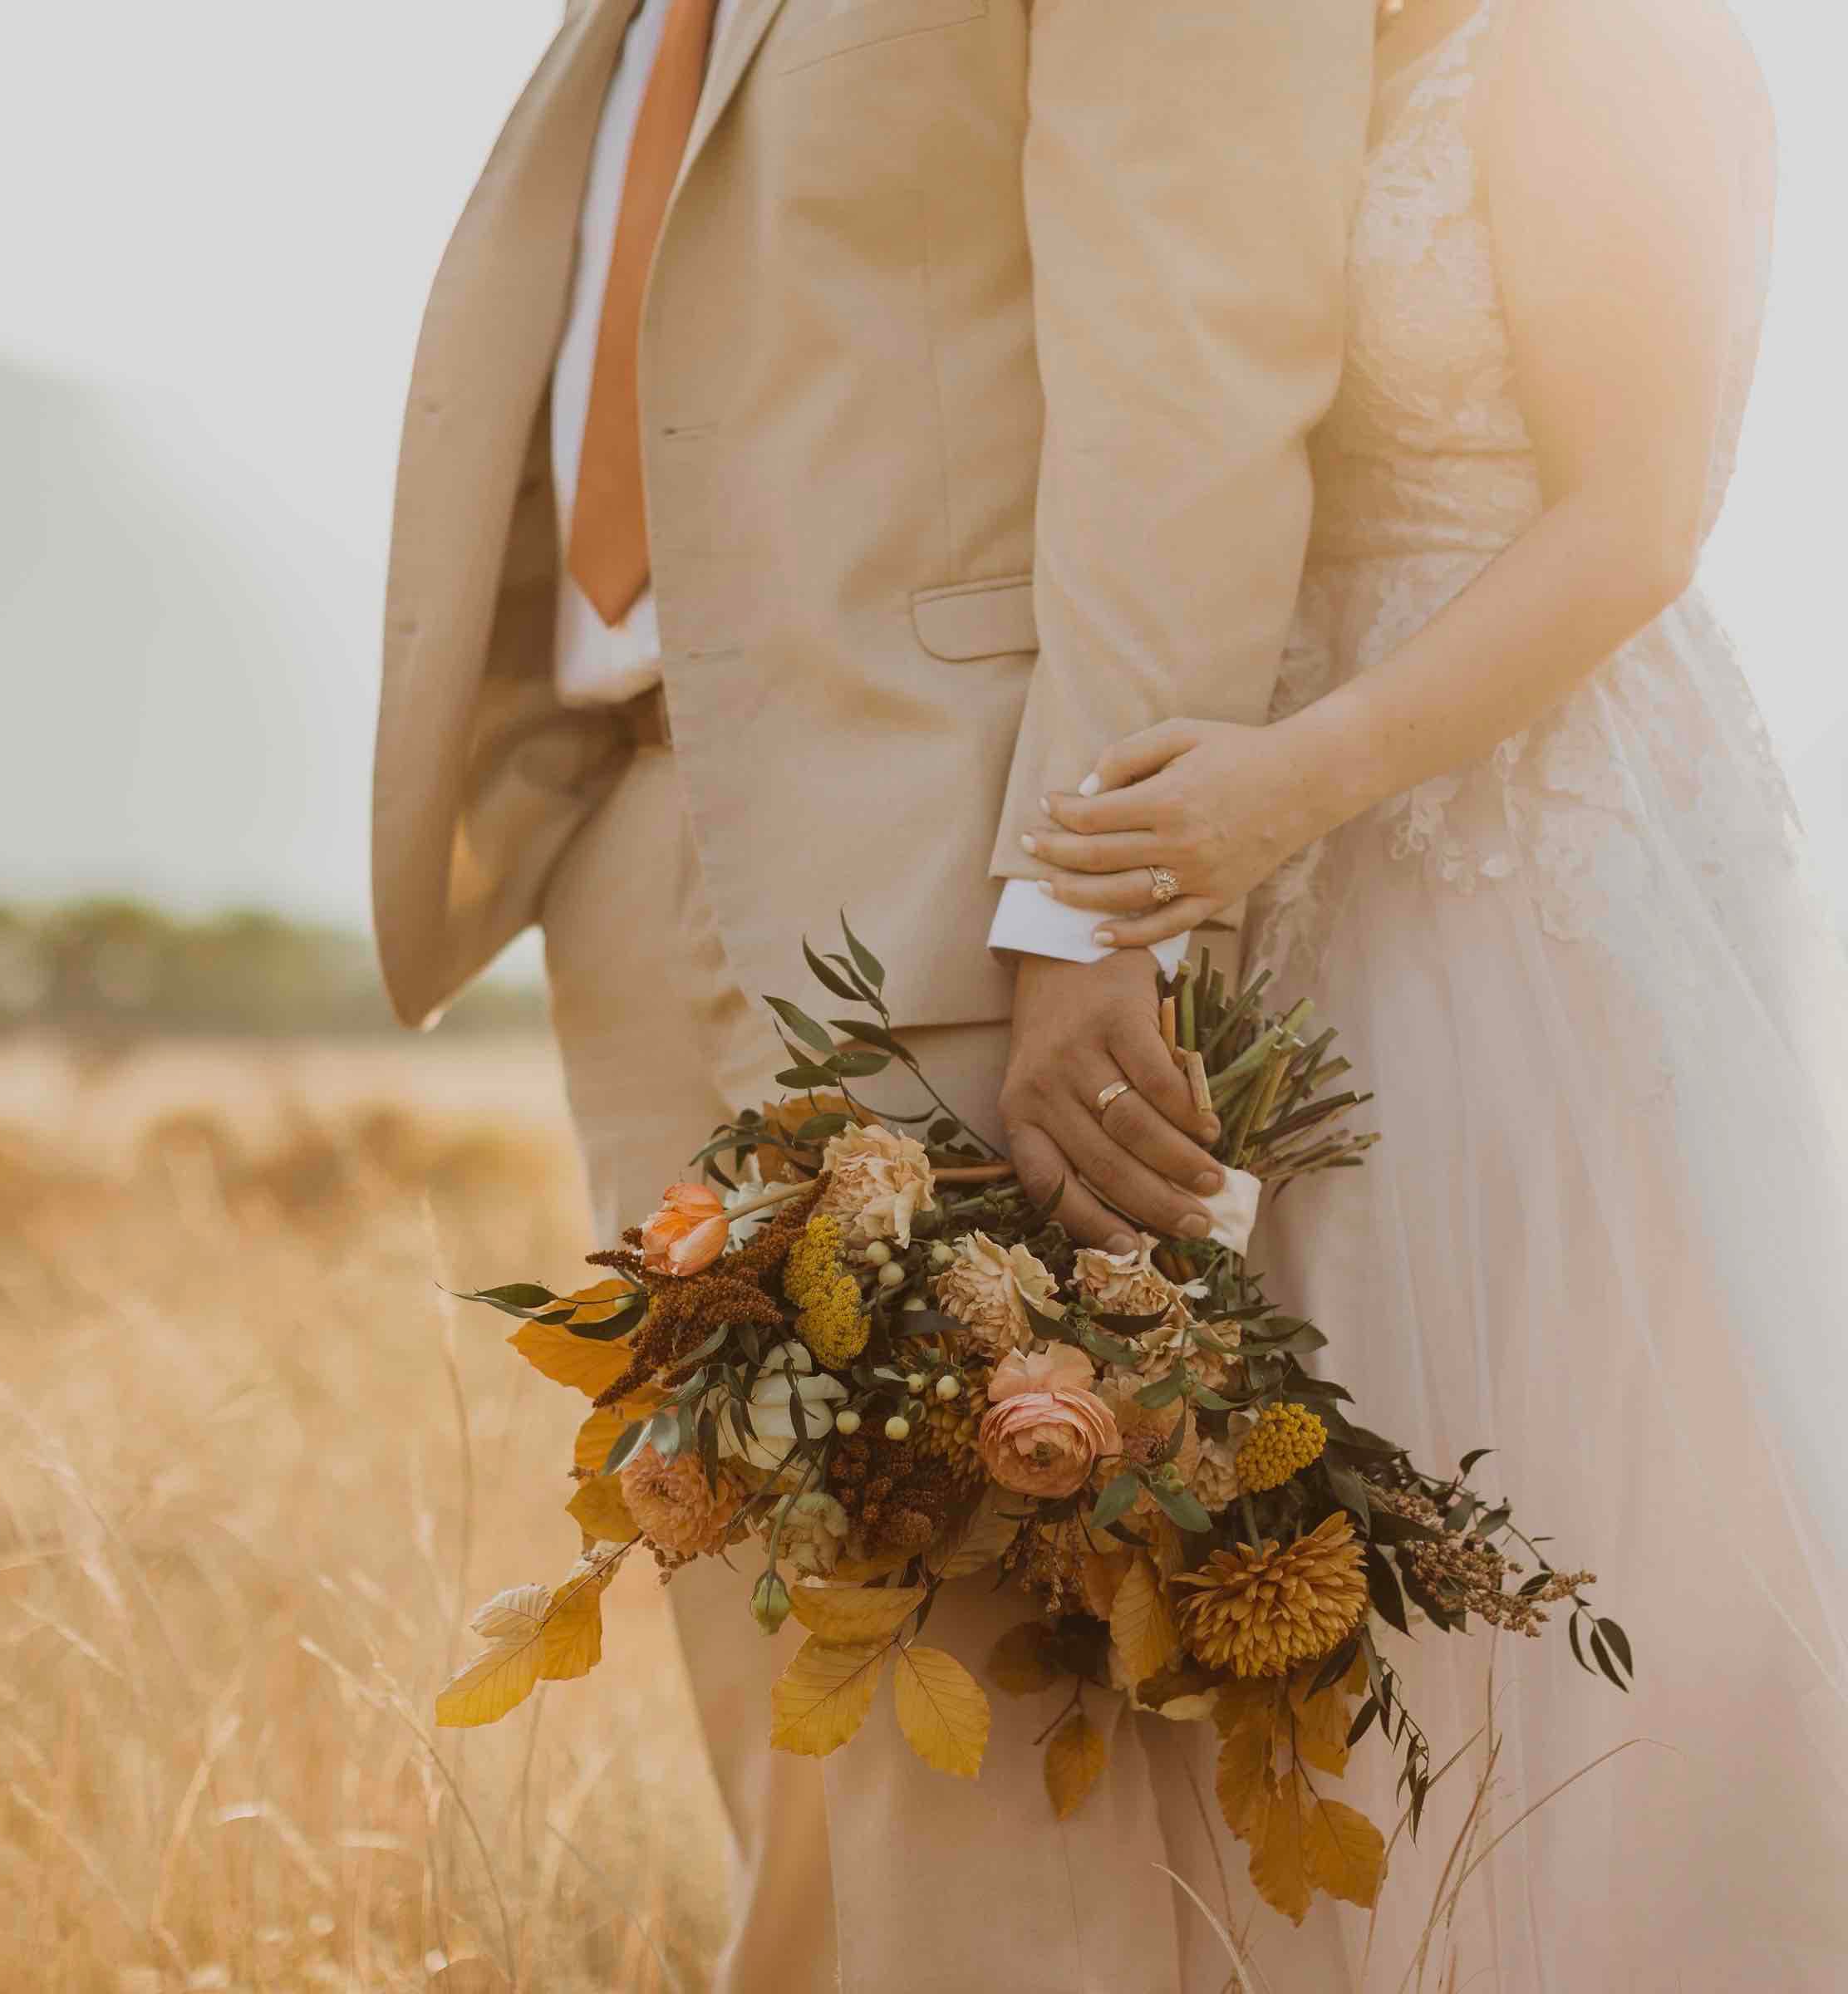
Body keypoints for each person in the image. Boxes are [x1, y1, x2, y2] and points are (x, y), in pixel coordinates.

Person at [370, 0, 1374, 1985]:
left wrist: (1089, 906)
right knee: (778, 1697)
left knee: (984, 1742)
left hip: (957, 868)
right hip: (627, 825)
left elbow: (1195, 348)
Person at [1023, 0, 1848, 1983]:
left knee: (1553, 1459)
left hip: (1518, 843)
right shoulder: (1286, 48)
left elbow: (1638, 519)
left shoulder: (1609, 44)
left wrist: (1297, 785)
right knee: (1325, 1492)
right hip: (1286, 850)